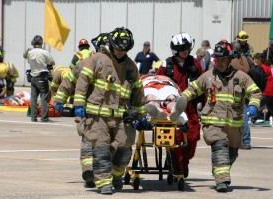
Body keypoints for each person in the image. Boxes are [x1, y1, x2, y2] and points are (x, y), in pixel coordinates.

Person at [169, 41, 262, 192]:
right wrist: (183, 99)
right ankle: (222, 182)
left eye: (222, 60)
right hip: (213, 123)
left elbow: (255, 92)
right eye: (216, 60)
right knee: (220, 149)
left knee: (231, 154)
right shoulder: (207, 77)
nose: (218, 63)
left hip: (234, 125)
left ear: (229, 59)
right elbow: (192, 89)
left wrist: (254, 105)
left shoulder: (241, 77)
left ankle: (220, 171)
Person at [73, 27, 146, 194]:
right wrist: (78, 105)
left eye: (125, 49)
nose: (121, 52)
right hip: (98, 116)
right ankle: (104, 184)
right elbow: (83, 81)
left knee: (125, 147)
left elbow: (138, 91)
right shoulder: (98, 59)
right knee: (101, 150)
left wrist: (141, 114)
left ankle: (116, 175)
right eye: (118, 48)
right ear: (112, 45)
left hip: (122, 117)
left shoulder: (130, 67)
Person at [54, 32, 110, 189]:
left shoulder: (116, 66)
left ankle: (93, 171)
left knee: (94, 142)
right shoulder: (89, 63)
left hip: (106, 113)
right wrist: (60, 99)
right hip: (90, 111)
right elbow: (70, 80)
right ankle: (90, 172)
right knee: (91, 141)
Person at [156, 32, 203, 178]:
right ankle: (178, 166)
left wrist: (202, 102)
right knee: (175, 138)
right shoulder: (166, 65)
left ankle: (184, 161)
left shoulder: (194, 64)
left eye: (187, 47)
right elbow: (158, 84)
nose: (186, 50)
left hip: (191, 108)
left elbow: (202, 82)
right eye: (182, 47)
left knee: (192, 137)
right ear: (175, 49)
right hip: (173, 108)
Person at [250, 53, 273, 128]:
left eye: (255, 60)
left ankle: (252, 120)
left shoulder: (263, 67)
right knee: (272, 107)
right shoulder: (267, 66)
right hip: (272, 90)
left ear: (259, 60)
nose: (254, 61)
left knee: (260, 105)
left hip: (267, 90)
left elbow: (259, 77)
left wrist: (254, 66)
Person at [26, 35, 55, 122]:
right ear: (41, 43)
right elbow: (52, 63)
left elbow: (29, 61)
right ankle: (44, 118)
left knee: (34, 98)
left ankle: (33, 117)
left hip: (33, 77)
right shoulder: (44, 52)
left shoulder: (30, 53)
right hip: (42, 77)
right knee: (44, 98)